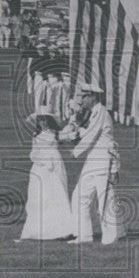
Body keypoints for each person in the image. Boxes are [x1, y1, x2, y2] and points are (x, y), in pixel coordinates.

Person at [66, 82, 124, 245]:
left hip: (104, 161)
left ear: (92, 97)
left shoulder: (101, 113)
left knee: (105, 200)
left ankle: (111, 236)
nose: (80, 100)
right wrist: (73, 126)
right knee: (79, 196)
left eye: (82, 97)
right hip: (92, 161)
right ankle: (83, 235)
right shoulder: (92, 113)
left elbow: (91, 135)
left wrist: (76, 151)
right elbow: (83, 132)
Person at [20, 110, 73, 240]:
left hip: (54, 164)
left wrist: (73, 123)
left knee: (57, 193)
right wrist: (41, 160)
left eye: (44, 119)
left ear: (49, 121)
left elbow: (67, 135)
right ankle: (39, 229)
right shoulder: (36, 135)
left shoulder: (54, 134)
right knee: (39, 196)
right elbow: (33, 153)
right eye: (40, 120)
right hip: (41, 167)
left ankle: (62, 229)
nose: (42, 122)